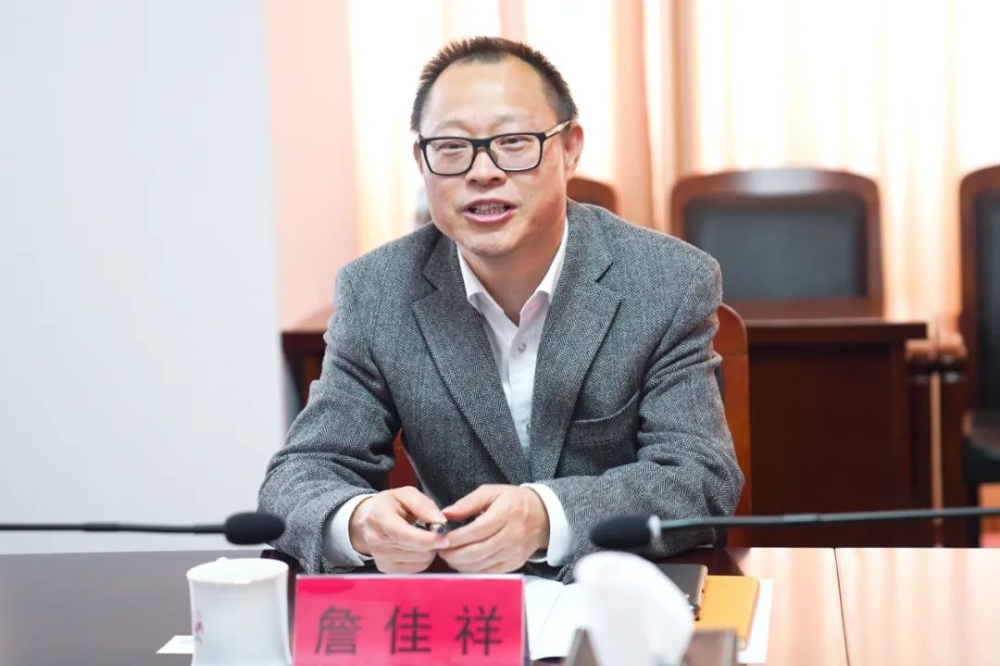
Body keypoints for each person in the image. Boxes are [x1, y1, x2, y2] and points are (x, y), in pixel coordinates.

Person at [258, 36, 743, 581]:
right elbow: (298, 477)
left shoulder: (667, 281)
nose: (482, 172)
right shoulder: (376, 293)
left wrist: (547, 516)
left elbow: (699, 477)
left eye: (513, 142)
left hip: (620, 598)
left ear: (570, 148)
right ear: (421, 161)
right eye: (451, 147)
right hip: (462, 609)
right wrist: (358, 521)